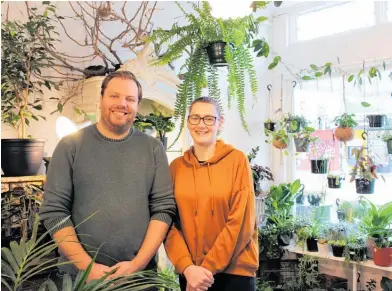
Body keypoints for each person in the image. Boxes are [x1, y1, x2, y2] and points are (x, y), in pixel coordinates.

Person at [39, 70, 176, 282]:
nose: (122, 104)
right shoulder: (70, 146)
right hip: (80, 279)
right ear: (101, 99)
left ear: (137, 106)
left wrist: (137, 264)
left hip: (139, 279)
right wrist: (87, 267)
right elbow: (54, 212)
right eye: (114, 96)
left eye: (130, 99)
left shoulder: (153, 149)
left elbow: (163, 209)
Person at [164, 97, 258, 291]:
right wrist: (187, 267)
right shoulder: (175, 168)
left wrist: (205, 270)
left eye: (208, 119)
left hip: (235, 273)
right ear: (188, 121)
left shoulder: (237, 161)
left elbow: (241, 224)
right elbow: (169, 222)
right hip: (191, 274)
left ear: (219, 122)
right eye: (195, 118)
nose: (201, 125)